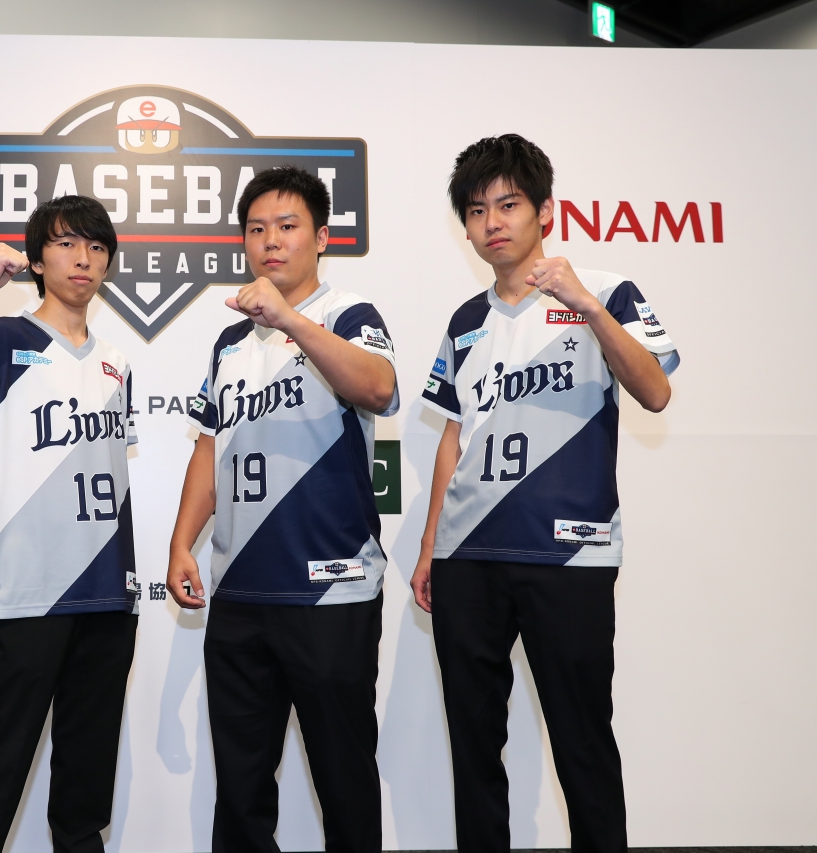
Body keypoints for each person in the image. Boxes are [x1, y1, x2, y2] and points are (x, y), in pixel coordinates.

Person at [412, 134, 679, 853]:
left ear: (545, 211)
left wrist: (585, 305)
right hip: (468, 559)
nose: (492, 222)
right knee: (473, 743)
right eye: (476, 211)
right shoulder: (465, 321)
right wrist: (432, 545)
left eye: (508, 204)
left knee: (582, 738)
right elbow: (453, 437)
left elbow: (656, 391)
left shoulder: (606, 290)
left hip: (570, 555)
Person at [168, 165, 399, 853]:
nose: (271, 240)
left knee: (344, 781)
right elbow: (209, 448)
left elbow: (379, 388)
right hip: (240, 592)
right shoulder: (230, 343)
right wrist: (181, 543)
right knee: (240, 794)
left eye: (288, 226)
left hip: (331, 589)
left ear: (321, 237)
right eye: (257, 228)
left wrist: (291, 320)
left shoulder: (350, 314)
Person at [0, 195, 139, 853]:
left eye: (96, 247)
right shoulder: (3, 339)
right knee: (1, 768)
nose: (83, 258)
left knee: (85, 786)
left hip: (107, 592)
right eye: (66, 243)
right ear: (38, 259)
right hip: (26, 593)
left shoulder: (116, 359)